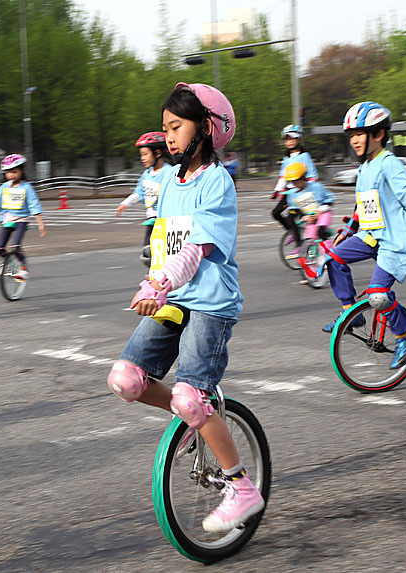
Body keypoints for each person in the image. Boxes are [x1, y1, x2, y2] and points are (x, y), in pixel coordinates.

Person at [107, 83, 264, 532]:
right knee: (126, 379)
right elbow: (165, 245)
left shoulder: (216, 182)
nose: (168, 137)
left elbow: (195, 248)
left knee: (189, 393)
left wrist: (158, 283)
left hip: (211, 304)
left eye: (176, 127)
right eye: (165, 129)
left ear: (207, 128)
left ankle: (241, 487)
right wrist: (153, 281)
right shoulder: (171, 182)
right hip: (175, 299)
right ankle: (195, 415)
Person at [320, 102, 406, 369]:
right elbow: (365, 205)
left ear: (378, 134)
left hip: (394, 240)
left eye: (359, 134)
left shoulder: (389, 164)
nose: (354, 140)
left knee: (378, 295)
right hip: (370, 235)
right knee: (332, 259)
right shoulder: (365, 167)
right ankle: (350, 314)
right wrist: (348, 230)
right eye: (351, 135)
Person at [0, 154, 46, 279]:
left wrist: (40, 222)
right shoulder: (4, 188)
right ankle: (7, 262)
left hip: (21, 220)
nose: (11, 175)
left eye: (15, 172)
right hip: (7, 219)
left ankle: (23, 268)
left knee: (15, 246)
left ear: (22, 171)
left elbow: (34, 205)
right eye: (8, 172)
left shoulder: (27, 188)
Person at [116, 132, 174, 263]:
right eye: (141, 155)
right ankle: (156, 276)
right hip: (151, 219)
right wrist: (125, 204)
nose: (142, 158)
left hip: (165, 219)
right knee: (148, 253)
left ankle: (163, 276)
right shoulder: (146, 174)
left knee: (161, 253)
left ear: (158, 153)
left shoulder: (169, 172)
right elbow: (139, 192)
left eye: (145, 154)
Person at [271, 124, 318, 232]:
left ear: (299, 139)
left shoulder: (304, 156)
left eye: (293, 138)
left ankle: (302, 241)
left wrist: (310, 188)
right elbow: (283, 176)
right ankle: (292, 232)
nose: (290, 141)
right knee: (276, 213)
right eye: (287, 139)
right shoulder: (286, 158)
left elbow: (312, 175)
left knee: (299, 217)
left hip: (303, 192)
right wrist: (277, 191)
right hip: (290, 192)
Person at [283, 162, 334, 258]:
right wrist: (306, 218)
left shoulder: (316, 187)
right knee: (309, 237)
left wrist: (320, 211)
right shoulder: (293, 193)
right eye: (293, 182)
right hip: (309, 216)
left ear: (303, 178)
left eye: (297, 181)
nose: (295, 184)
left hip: (323, 213)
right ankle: (311, 259)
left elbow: (329, 200)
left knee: (320, 232)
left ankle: (328, 255)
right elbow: (296, 210)